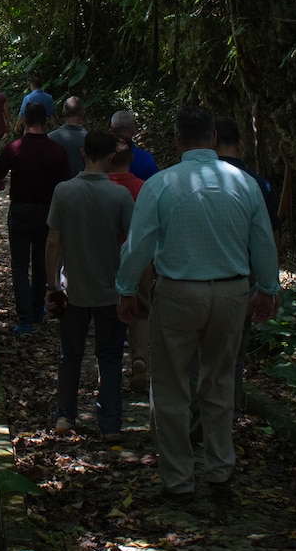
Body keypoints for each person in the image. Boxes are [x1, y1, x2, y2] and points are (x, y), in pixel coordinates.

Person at [116, 106, 279, 507]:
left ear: (176, 139)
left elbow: (138, 245)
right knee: (220, 383)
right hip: (231, 293)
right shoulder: (244, 183)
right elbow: (263, 242)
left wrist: (125, 289)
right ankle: (220, 473)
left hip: (177, 293)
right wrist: (267, 289)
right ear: (211, 137)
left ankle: (179, 481)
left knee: (171, 388)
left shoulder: (161, 184)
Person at [46, 127, 136, 440]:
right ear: (112, 156)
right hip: (110, 289)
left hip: (73, 288)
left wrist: (51, 284)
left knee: (70, 355)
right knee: (109, 356)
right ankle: (110, 423)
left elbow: (53, 241)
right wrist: (131, 285)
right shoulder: (120, 195)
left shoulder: (64, 191)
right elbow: (133, 243)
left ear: (83, 153)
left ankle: (65, 416)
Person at [0, 100, 72, 335]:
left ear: (25, 119)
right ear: (45, 120)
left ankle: (25, 319)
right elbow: (64, 186)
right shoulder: (58, 151)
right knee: (40, 262)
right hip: (47, 212)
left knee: (19, 265)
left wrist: (2, 183)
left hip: (21, 211)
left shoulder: (14, 148)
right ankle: (38, 311)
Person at [215, 115, 280, 409]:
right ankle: (229, 413)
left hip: (202, 274)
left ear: (212, 141)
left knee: (196, 353)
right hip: (245, 277)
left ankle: (197, 417)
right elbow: (270, 238)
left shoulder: (201, 180)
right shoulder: (258, 184)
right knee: (234, 353)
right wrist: (268, 285)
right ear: (241, 142)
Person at [106, 138, 152, 387]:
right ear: (132, 159)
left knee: (110, 310)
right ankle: (140, 358)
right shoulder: (145, 188)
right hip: (141, 257)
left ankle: (110, 366)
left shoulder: (102, 187)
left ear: (109, 158)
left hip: (108, 257)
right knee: (141, 312)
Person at [111, 109, 160, 180]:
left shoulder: (104, 156)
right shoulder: (145, 158)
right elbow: (155, 183)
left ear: (112, 129)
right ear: (133, 130)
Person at [47, 95, 88, 177]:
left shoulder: (49, 139)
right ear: (83, 113)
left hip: (57, 188)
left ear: (63, 113)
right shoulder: (91, 139)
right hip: (85, 188)